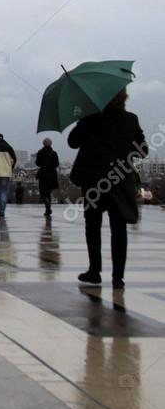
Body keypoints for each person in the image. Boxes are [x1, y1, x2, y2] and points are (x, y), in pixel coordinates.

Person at [68, 87, 148, 289]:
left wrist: (82, 120)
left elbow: (72, 142)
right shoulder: (131, 119)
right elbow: (143, 149)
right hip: (120, 180)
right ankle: (118, 277)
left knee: (93, 226)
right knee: (119, 229)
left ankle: (95, 270)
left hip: (94, 179)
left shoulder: (90, 118)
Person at [35, 137, 59, 218]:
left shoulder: (40, 152)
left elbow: (38, 163)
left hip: (43, 174)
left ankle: (47, 204)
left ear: (43, 144)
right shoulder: (54, 153)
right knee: (48, 192)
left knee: (43, 192)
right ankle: (48, 207)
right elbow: (57, 164)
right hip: (52, 174)